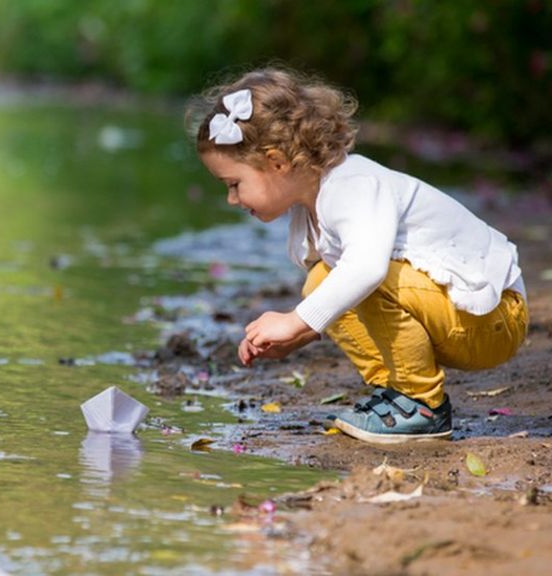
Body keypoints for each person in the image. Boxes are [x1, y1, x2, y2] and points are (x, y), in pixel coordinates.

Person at [187, 68, 528, 444]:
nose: (232, 199)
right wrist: (301, 333)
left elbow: (366, 268)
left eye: (234, 185)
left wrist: (297, 321)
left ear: (277, 162)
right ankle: (397, 394)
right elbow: (338, 289)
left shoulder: (353, 184)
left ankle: (422, 405)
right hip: (456, 315)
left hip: (495, 316)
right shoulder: (311, 212)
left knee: (363, 276)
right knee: (321, 280)